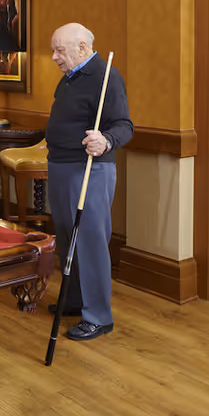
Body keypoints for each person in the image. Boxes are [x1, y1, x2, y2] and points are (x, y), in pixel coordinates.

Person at [46, 23, 132, 341]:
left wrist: (106, 140)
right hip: (61, 168)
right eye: (54, 50)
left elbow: (124, 125)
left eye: (60, 50)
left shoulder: (106, 76)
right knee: (69, 237)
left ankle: (98, 316)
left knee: (90, 241)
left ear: (82, 47)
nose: (54, 57)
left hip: (88, 170)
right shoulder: (70, 78)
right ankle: (76, 300)